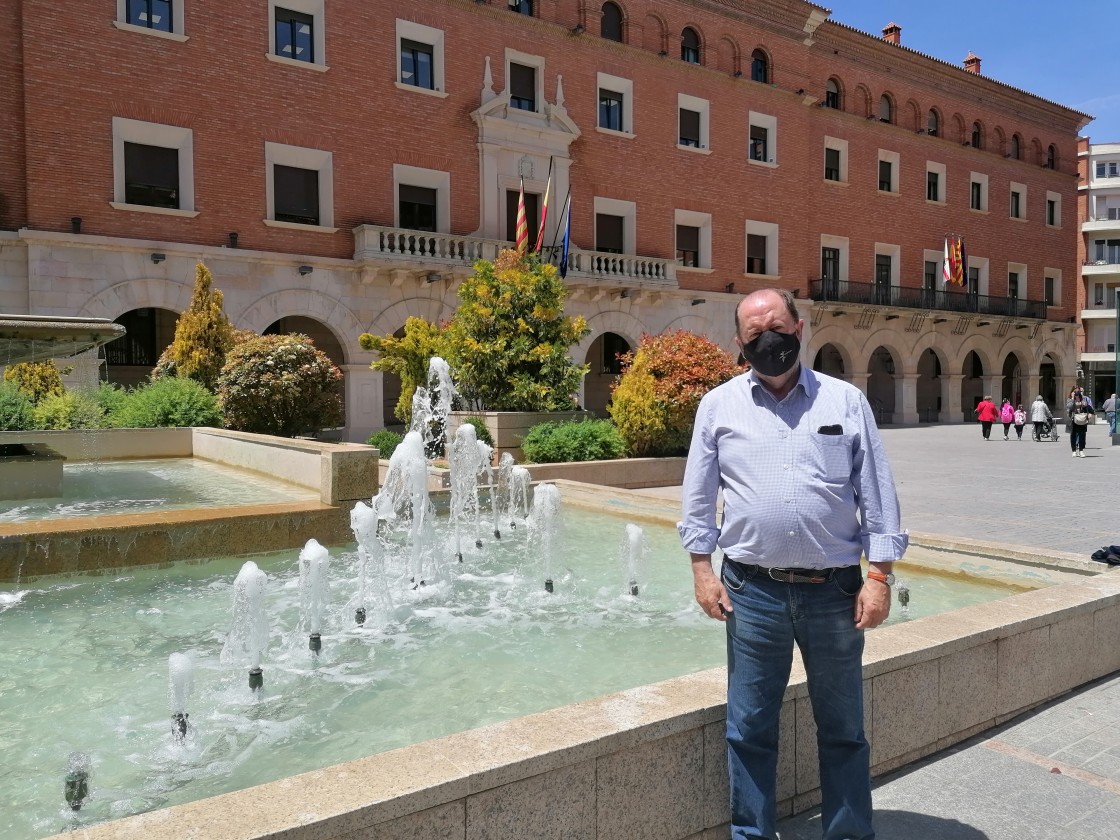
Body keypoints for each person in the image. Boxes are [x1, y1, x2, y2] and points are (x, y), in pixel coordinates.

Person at [679, 288, 907, 840]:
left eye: (777, 326)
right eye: (755, 334)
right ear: (740, 342)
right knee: (750, 727)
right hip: (751, 592)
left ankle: (849, 835)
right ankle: (751, 834)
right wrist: (702, 569)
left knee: (844, 729)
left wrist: (878, 577)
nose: (768, 339)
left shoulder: (844, 401)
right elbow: (697, 496)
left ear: (800, 328)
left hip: (833, 592)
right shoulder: (719, 405)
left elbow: (877, 496)